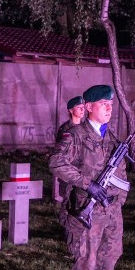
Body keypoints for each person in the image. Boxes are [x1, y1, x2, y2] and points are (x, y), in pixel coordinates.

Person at [49, 85, 128, 270]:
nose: (109, 108)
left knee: (107, 262)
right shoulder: (75, 135)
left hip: (111, 212)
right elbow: (56, 163)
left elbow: (121, 176)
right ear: (89, 106)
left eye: (111, 105)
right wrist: (87, 184)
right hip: (87, 210)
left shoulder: (113, 139)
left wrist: (119, 201)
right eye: (104, 104)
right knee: (86, 263)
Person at [55, 96, 86, 225]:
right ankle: (64, 225)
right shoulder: (65, 130)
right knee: (66, 199)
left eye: (83, 108)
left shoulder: (86, 128)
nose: (82, 110)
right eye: (79, 108)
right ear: (71, 110)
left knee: (80, 198)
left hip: (83, 169)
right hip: (69, 170)